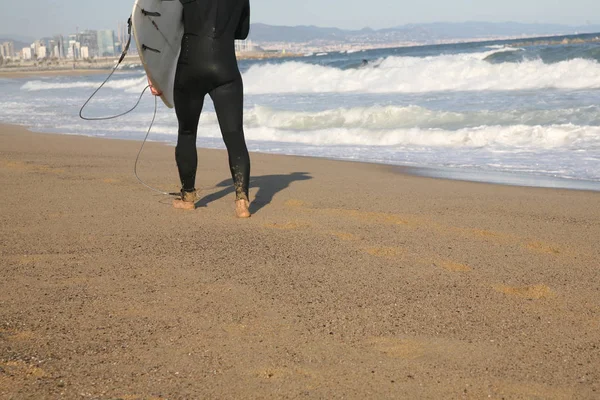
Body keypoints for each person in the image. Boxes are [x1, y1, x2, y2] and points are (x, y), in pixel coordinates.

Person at [150, 0, 252, 218]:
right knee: (234, 136)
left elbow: (167, 29)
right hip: (226, 69)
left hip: (190, 69)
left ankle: (188, 197)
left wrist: (155, 75)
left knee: (187, 133)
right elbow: (242, 33)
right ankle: (242, 200)